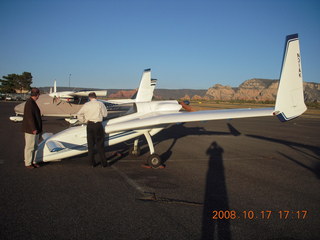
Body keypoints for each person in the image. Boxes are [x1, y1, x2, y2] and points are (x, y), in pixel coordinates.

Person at [77, 92, 108, 167]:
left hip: (90, 125)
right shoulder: (100, 104)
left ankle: (92, 163)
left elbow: (79, 114)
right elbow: (105, 114)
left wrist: (84, 121)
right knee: (100, 145)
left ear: (89, 97)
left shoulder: (86, 105)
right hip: (98, 125)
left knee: (90, 145)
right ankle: (104, 163)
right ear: (96, 97)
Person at [22, 88, 42, 169]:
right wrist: (33, 128)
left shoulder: (32, 102)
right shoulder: (30, 103)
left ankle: (32, 162)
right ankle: (28, 163)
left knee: (34, 147)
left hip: (35, 129)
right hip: (31, 130)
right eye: (38, 94)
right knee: (29, 147)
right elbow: (29, 117)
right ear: (37, 95)